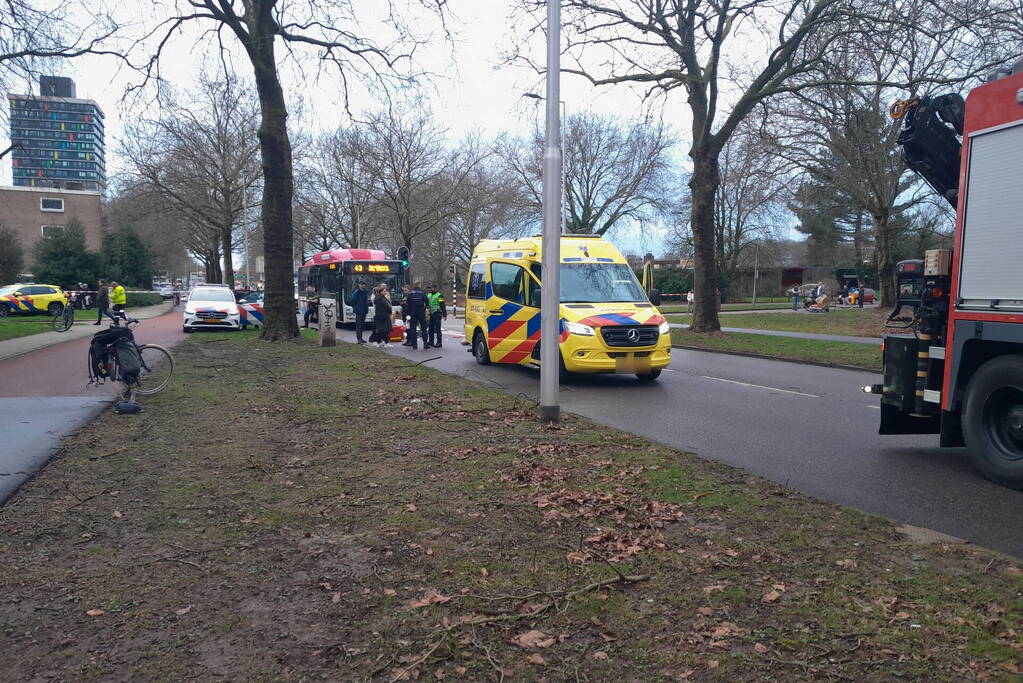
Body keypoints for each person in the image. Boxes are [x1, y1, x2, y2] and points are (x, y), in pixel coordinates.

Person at [403, 281, 429, 350]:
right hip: (421, 313)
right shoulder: (422, 293)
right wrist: (424, 309)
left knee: (413, 329)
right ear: (419, 285)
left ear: (414, 285)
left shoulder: (411, 294)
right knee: (423, 328)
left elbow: (407, 304)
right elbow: (427, 302)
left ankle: (414, 345)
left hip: (412, 313)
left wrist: (408, 313)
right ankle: (425, 344)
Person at [426, 283, 447, 348]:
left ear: (435, 288)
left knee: (437, 329)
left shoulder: (439, 296)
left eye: (432, 288)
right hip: (431, 314)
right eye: (430, 288)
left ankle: (439, 342)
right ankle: (431, 342)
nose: (431, 289)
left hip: (437, 313)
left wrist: (445, 314)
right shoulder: (429, 295)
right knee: (430, 329)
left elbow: (442, 305)